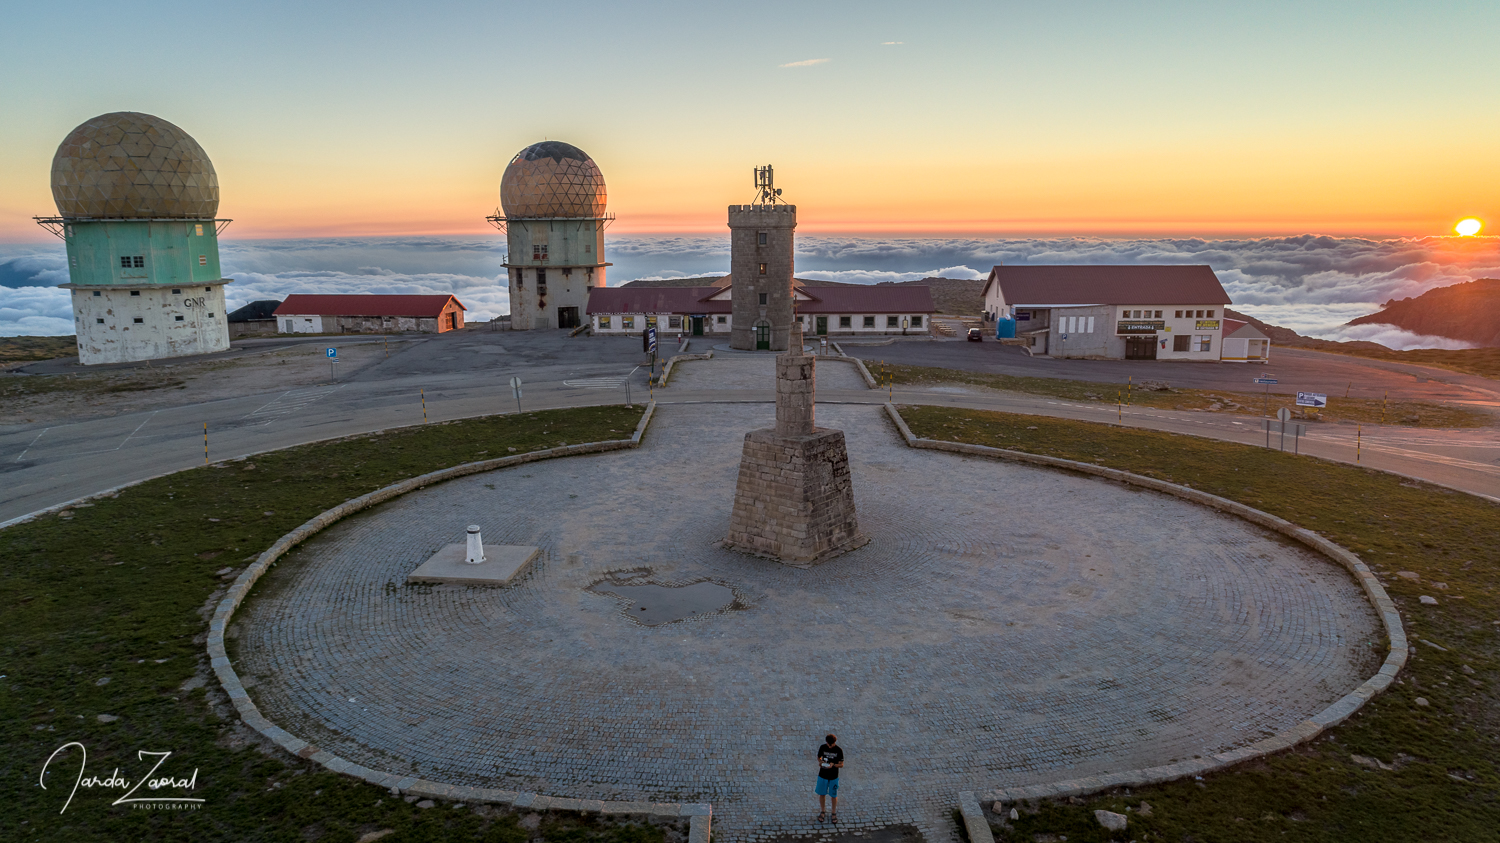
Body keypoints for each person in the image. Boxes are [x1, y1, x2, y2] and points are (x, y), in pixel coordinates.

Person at [815, 733, 844, 823]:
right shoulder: (823, 747)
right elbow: (818, 757)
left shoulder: (839, 750)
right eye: (828, 744)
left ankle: (833, 813)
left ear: (834, 742)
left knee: (833, 796)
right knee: (822, 794)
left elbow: (841, 764)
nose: (830, 746)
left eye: (831, 744)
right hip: (822, 775)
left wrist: (833, 765)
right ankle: (823, 811)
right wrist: (820, 762)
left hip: (833, 776)